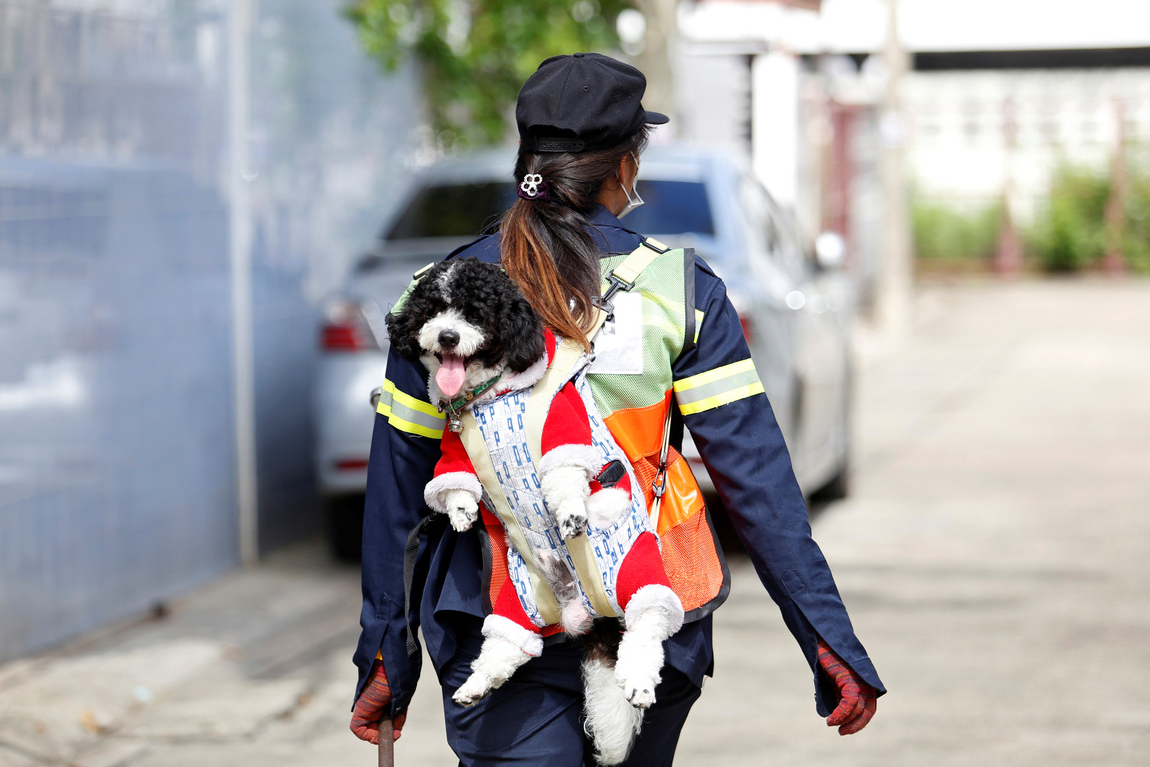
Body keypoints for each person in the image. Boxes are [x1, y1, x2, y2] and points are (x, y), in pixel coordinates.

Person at [350, 52, 884, 765]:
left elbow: (397, 493)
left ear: (526, 161)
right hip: (647, 608)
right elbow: (755, 479)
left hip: (495, 618)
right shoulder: (678, 289)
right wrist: (826, 637)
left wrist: (385, 649)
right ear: (626, 167)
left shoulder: (437, 294)